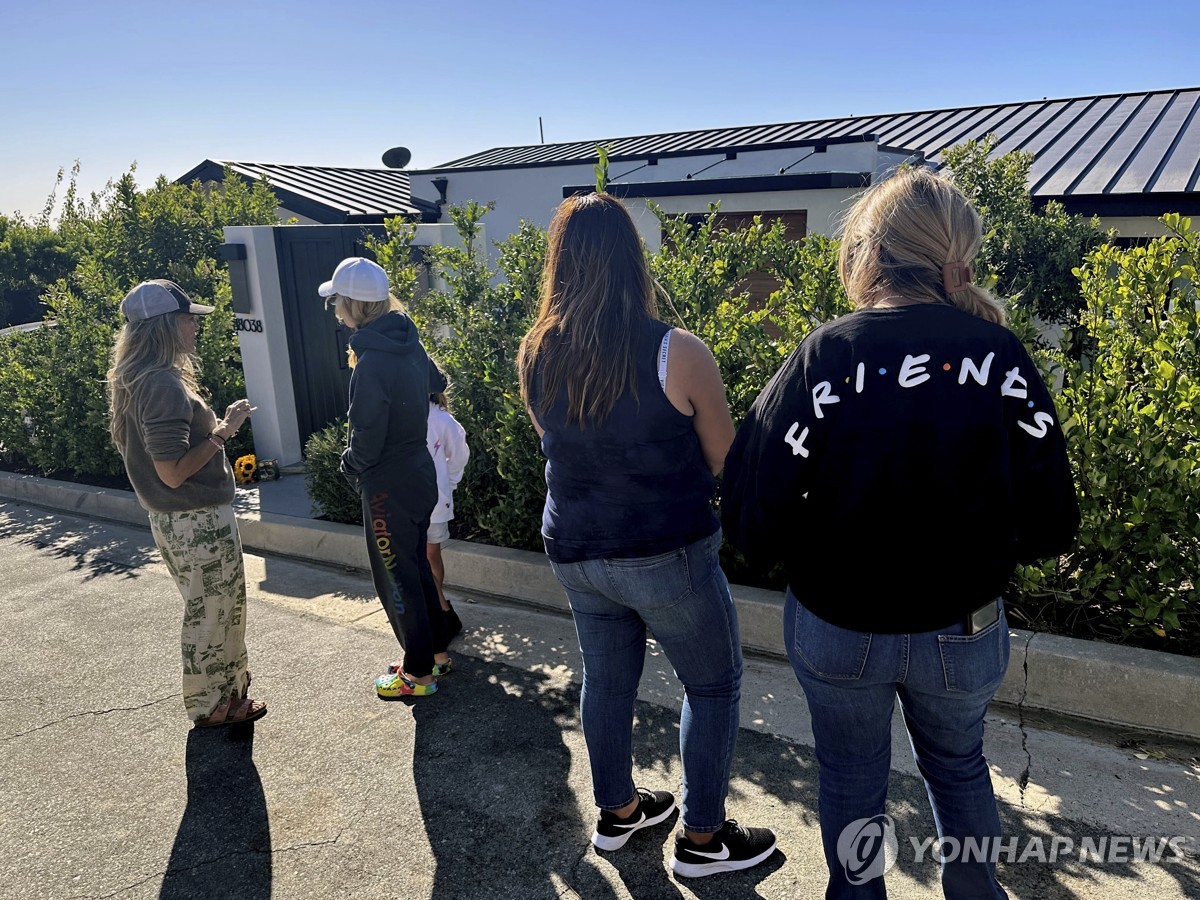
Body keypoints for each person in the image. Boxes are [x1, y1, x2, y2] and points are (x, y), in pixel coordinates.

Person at [722, 166, 1079, 899]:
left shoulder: (827, 354)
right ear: (956, 257)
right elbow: (1051, 519)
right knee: (959, 766)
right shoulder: (1001, 355)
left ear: (868, 250)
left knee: (852, 776)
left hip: (838, 624)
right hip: (965, 626)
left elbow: (753, 503)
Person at [517, 192, 777, 878]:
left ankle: (621, 813)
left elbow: (559, 443)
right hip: (666, 552)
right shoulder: (677, 352)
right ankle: (703, 839)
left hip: (575, 548)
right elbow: (725, 459)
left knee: (606, 680)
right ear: (633, 260)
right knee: (713, 685)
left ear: (560, 263)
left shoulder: (536, 351)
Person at [107, 279, 267, 729]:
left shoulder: (139, 378)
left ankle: (228, 694)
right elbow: (172, 472)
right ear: (165, 327)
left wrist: (213, 428)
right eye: (188, 319)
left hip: (181, 521)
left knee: (218, 609)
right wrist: (223, 432)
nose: (196, 326)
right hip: (195, 522)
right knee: (211, 614)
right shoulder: (159, 383)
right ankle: (211, 705)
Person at [318, 256, 451, 699]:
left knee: (396, 576)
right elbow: (438, 379)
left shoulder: (370, 359)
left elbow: (367, 438)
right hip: (418, 470)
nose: (335, 309)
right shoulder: (407, 338)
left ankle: (417, 674)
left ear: (352, 305)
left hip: (387, 483)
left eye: (336, 301)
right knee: (414, 565)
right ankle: (436, 653)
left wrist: (349, 464)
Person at [425, 359, 469, 639]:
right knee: (421, 556)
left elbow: (459, 455)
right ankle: (438, 610)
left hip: (434, 501)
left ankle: (439, 610)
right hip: (409, 500)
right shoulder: (400, 414)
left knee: (430, 554)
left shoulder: (441, 419)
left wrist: (449, 485)